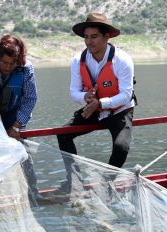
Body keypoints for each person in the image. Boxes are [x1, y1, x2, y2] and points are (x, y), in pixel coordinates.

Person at [57, 12, 135, 169]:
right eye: (86, 37)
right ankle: (75, 180)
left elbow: (126, 95)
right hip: (92, 108)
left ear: (106, 37)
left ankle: (108, 183)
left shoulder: (122, 60)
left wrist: (100, 104)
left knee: (121, 147)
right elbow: (74, 92)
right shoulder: (77, 60)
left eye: (94, 37)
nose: (88, 42)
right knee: (63, 133)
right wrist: (85, 97)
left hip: (120, 109)